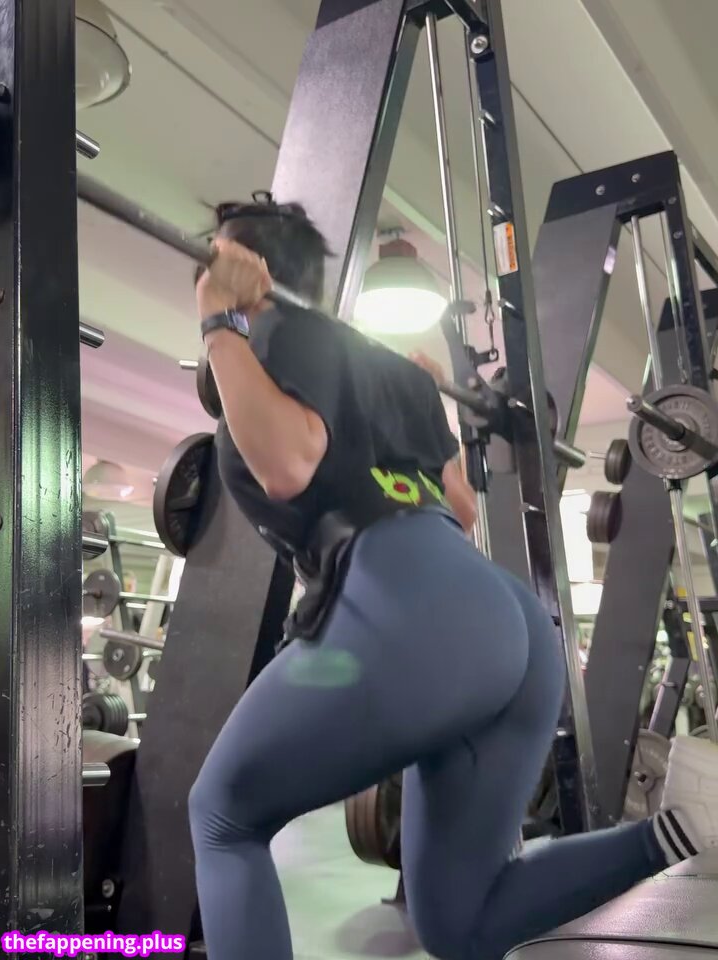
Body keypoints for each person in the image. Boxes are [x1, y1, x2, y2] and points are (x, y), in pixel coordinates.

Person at [188, 194, 718, 960]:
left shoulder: (265, 332)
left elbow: (290, 462)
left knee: (222, 815)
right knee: (459, 922)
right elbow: (461, 507)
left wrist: (219, 323)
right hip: (501, 621)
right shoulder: (395, 374)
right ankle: (672, 834)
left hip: (405, 604)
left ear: (240, 269)